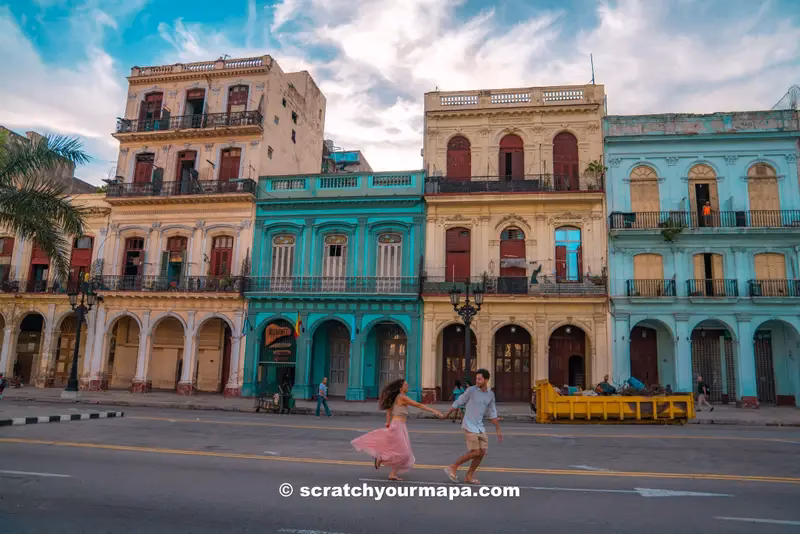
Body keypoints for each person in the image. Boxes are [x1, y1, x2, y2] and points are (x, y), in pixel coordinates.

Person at [352, 379, 443, 481]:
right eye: (406, 385)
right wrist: (434, 411)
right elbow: (418, 405)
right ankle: (381, 458)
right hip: (398, 426)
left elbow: (389, 411)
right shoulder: (402, 398)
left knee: (399, 450)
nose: (408, 386)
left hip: (400, 426)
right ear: (401, 388)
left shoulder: (397, 397)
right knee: (404, 453)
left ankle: (392, 473)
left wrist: (387, 423)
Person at [442, 369, 502, 485]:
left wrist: (498, 431)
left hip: (480, 426)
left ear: (486, 380)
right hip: (469, 425)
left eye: (479, 379)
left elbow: (493, 413)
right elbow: (458, 402)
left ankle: (469, 476)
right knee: (475, 452)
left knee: (482, 452)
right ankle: (453, 467)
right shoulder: (471, 390)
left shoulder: (490, 394)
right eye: (476, 379)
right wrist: (446, 414)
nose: (477, 381)